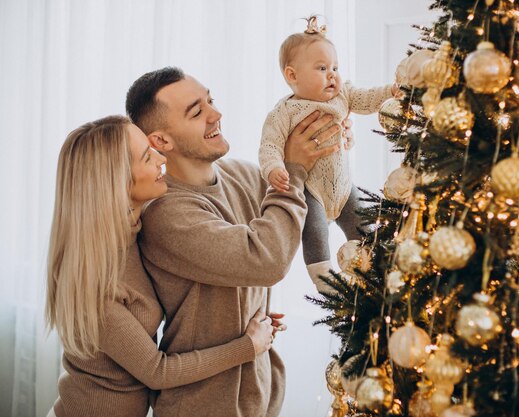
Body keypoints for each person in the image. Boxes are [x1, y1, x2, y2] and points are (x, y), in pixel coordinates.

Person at [125, 67, 340, 417]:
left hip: (261, 394)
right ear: (162, 141)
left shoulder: (242, 174)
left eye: (211, 100)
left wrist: (334, 141)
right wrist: (293, 169)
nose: (216, 114)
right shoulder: (166, 213)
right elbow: (267, 260)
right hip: (204, 406)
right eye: (197, 112)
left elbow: (312, 206)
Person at [45, 115, 278, 417]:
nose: (160, 158)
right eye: (147, 156)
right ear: (117, 181)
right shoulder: (92, 280)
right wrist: (248, 345)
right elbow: (158, 371)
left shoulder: (137, 232)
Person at [259, 16, 398, 291]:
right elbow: (270, 145)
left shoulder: (342, 95)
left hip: (345, 189)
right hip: (312, 190)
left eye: (335, 67)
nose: (332, 74)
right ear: (292, 75)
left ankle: (377, 267)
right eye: (322, 68)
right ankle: (325, 280)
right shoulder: (285, 112)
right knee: (314, 233)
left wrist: (390, 92)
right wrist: (273, 168)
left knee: (364, 226)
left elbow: (367, 98)